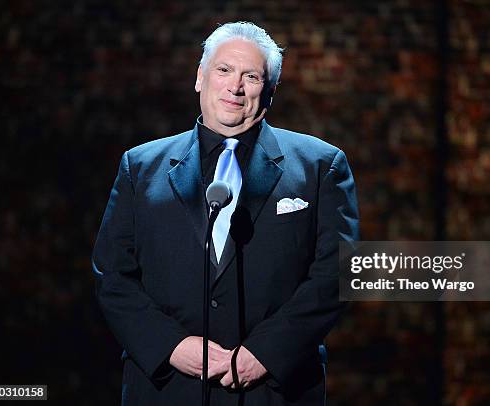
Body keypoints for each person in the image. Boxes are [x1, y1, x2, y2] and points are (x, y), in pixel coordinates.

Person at [92, 21, 359, 405]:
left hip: (273, 390)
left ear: (269, 91)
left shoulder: (321, 165)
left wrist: (265, 354)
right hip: (166, 388)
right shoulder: (141, 166)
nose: (235, 87)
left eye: (251, 76)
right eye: (224, 71)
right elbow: (112, 274)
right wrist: (172, 346)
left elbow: (338, 273)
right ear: (200, 78)